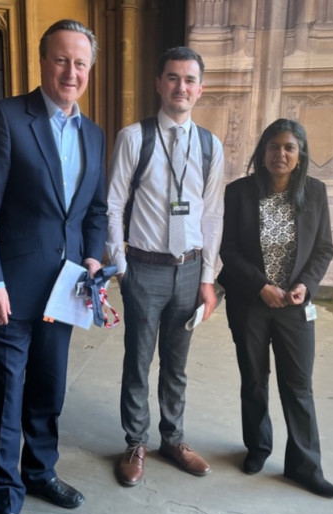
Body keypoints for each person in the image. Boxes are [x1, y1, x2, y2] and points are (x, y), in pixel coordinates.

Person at [0, 19, 108, 514]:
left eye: (81, 64)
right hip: (9, 291)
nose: (72, 72)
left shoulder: (93, 134)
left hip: (66, 289)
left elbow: (94, 211)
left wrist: (93, 260)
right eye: (62, 60)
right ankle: (3, 505)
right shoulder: (5, 119)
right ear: (43, 62)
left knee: (49, 388)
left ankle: (39, 471)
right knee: (6, 396)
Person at [106, 47, 225, 487]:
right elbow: (114, 202)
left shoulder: (211, 145)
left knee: (177, 363)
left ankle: (172, 439)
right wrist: (120, 265)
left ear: (200, 88)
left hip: (191, 270)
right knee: (138, 360)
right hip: (144, 268)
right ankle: (135, 442)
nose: (181, 87)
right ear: (159, 83)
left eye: (190, 80)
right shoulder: (134, 138)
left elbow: (212, 215)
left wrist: (208, 278)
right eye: (173, 78)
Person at [218, 118, 333, 498]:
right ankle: (258, 447)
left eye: (289, 147)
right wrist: (260, 286)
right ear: (262, 151)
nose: (280, 154)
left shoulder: (315, 194)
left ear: (300, 155)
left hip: (294, 308)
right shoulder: (238, 192)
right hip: (251, 305)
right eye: (273, 146)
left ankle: (305, 466)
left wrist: (306, 285)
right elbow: (228, 250)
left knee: (298, 386)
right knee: (254, 381)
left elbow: (323, 250)